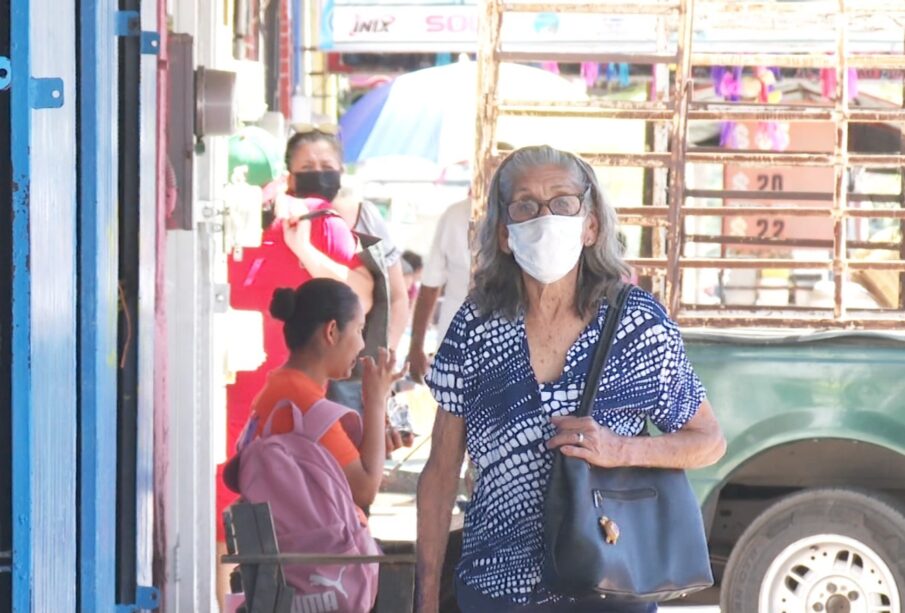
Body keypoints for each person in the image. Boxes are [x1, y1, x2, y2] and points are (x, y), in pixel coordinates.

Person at [415, 146, 726, 612]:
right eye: (525, 206)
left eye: (563, 202)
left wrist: (621, 449)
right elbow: (440, 472)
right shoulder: (476, 326)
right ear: (503, 234)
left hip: (610, 582)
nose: (545, 218)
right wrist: (424, 597)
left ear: (591, 225)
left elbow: (709, 441)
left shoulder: (637, 325)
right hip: (498, 590)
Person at [246, 279, 404, 515]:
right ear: (331, 332)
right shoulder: (302, 402)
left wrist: (376, 437)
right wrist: (375, 401)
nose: (362, 344)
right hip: (312, 549)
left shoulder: (285, 386)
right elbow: (364, 490)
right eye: (359, 330)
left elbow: (340, 471)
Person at [280, 127, 410, 415]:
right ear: (289, 175)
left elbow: (396, 296)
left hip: (353, 373)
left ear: (340, 171)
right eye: (307, 167)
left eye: (327, 167)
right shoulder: (282, 221)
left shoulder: (364, 218)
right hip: (290, 366)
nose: (318, 174)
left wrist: (384, 358)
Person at [406, 198, 471, 382]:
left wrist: (416, 345)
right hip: (456, 342)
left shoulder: (526, 213)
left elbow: (430, 286)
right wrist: (416, 345)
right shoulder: (455, 215)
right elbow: (430, 286)